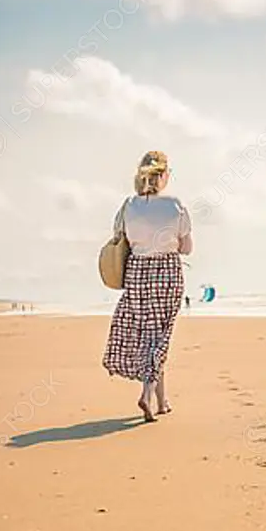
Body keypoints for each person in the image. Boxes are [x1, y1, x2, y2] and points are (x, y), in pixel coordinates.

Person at [103, 150, 193, 422]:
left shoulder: (129, 205)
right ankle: (147, 392)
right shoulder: (175, 205)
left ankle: (162, 401)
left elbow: (120, 239)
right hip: (167, 272)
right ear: (163, 175)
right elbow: (187, 249)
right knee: (161, 336)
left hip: (138, 273)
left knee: (149, 335)